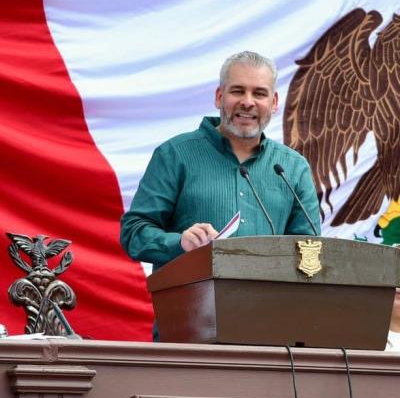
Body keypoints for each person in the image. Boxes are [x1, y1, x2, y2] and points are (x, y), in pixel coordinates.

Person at [120, 51, 321, 274]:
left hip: (272, 305)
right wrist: (180, 243)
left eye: (259, 93)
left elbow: (310, 249)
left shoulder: (292, 167)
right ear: (219, 97)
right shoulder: (175, 155)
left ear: (273, 103)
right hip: (191, 304)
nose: (247, 102)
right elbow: (133, 233)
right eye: (237, 91)